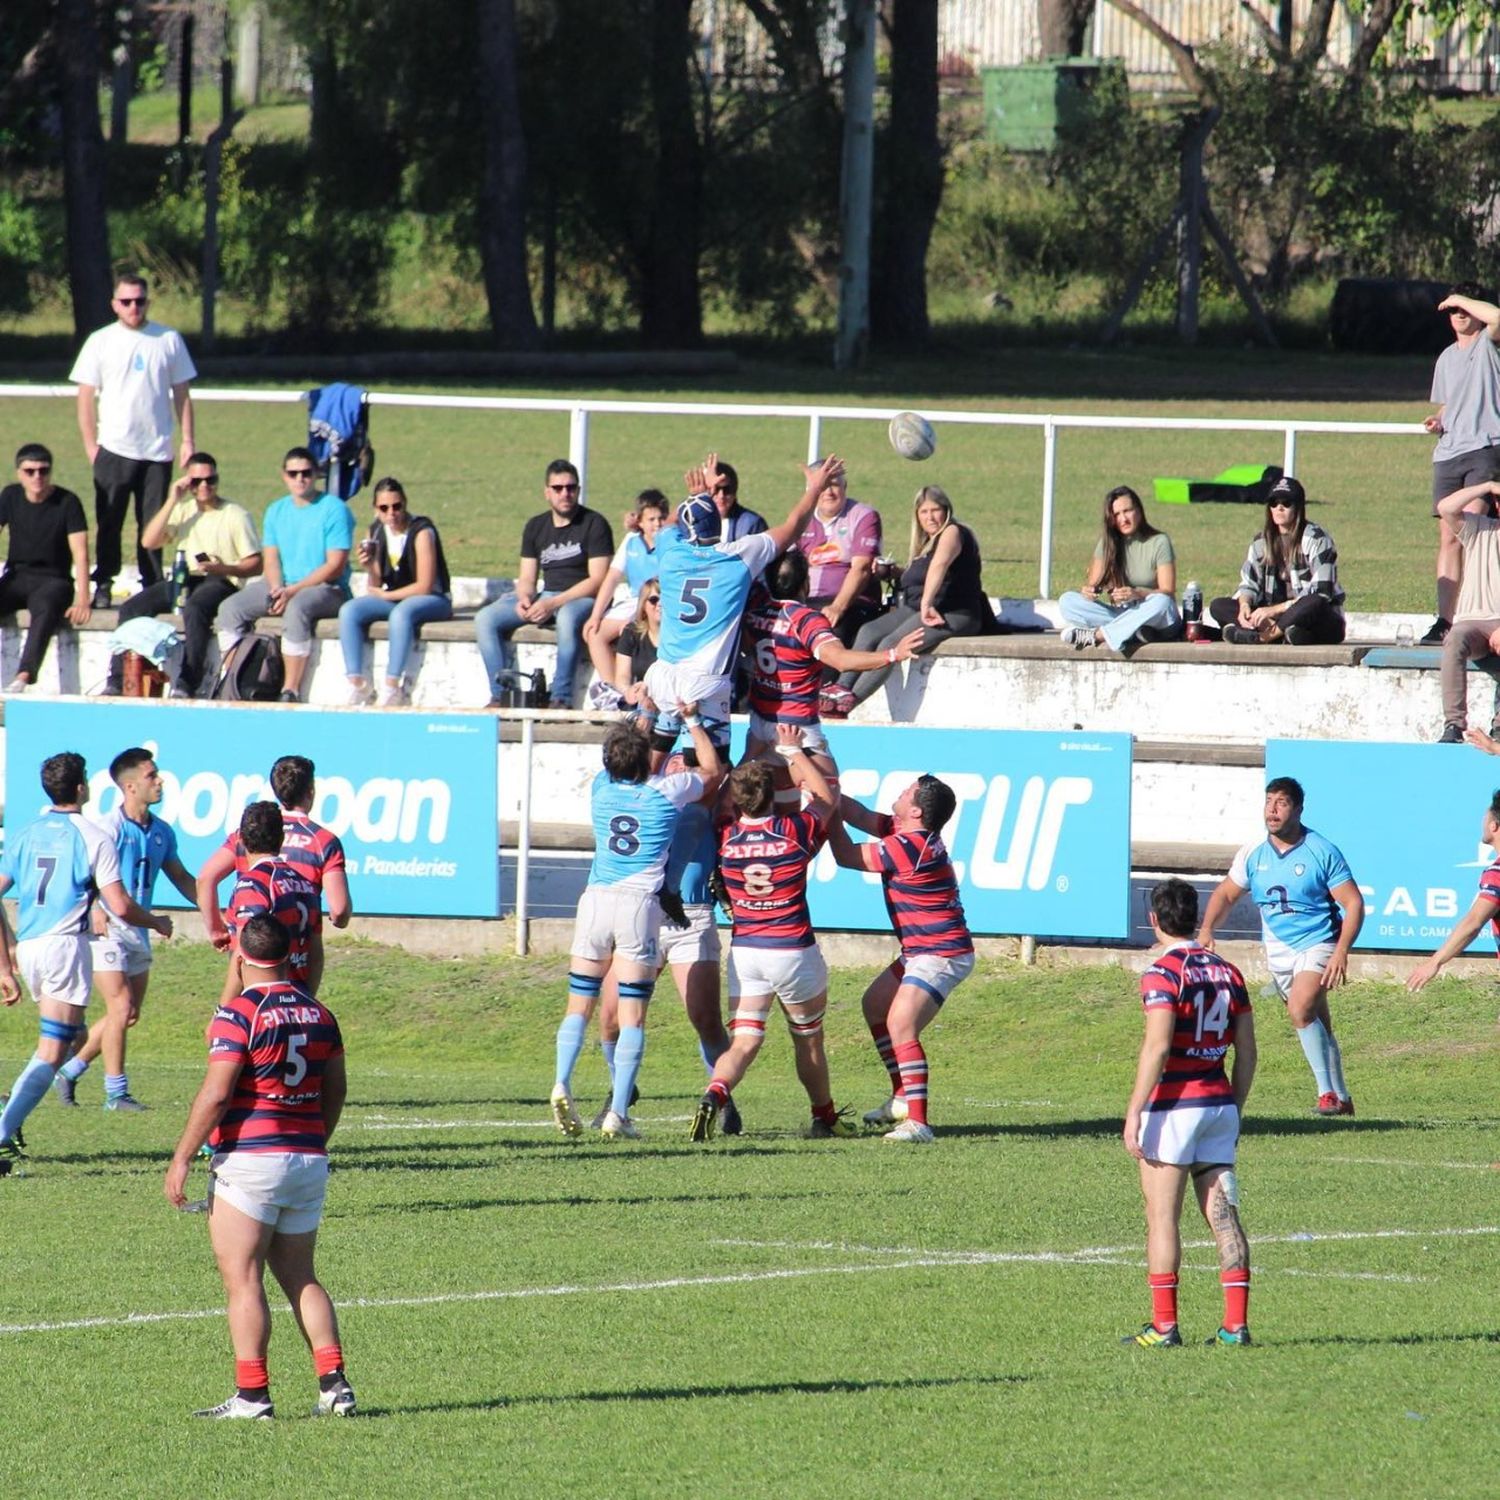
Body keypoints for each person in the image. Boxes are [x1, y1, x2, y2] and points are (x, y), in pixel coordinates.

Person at [164, 914, 355, 1420]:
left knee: (244, 1279)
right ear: (292, 955)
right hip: (308, 1158)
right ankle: (334, 1385)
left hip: (251, 1161)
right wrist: (316, 1140)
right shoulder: (320, 1013)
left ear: (240, 957)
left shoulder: (238, 1013)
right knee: (302, 1276)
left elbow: (217, 1093)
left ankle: (252, 1396)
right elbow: (336, 1090)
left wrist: (182, 1156)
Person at [550, 714, 721, 1140]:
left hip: (594, 901)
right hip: (637, 905)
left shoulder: (600, 788)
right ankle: (619, 1113)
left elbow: (623, 753)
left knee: (578, 1006)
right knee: (632, 1016)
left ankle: (562, 1082)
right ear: (648, 762)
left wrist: (642, 714)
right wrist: (692, 721)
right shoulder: (666, 791)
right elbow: (713, 771)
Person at [0, 751, 171, 1168]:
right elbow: (120, 904)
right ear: (82, 788)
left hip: (33, 945)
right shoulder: (93, 836)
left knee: (69, 1038)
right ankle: (3, 1129)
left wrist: (5, 964)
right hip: (65, 946)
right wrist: (157, 921)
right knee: (52, 1050)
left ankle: (17, 1102)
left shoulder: (25, 833)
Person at [690, 730, 854, 1142]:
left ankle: (715, 1092)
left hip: (747, 952)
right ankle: (824, 1117)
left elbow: (725, 800)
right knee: (808, 1040)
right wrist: (793, 750)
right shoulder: (794, 832)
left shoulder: (725, 834)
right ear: (772, 796)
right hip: (793, 950)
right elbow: (825, 798)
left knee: (744, 1041)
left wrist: (752, 752)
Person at [1122, 879, 1256, 1350]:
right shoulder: (1229, 972)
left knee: (1162, 1218)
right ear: (1195, 918)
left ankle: (1164, 1327)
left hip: (1176, 1108)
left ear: (1154, 920)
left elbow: (1157, 1046)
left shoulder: (1162, 973)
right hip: (1218, 1104)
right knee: (1223, 1215)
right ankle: (1235, 1327)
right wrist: (1232, 1109)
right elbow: (1248, 1053)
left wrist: (1135, 1110)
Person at [645, 453, 844, 758]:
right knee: (710, 772)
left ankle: (640, 798)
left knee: (655, 756)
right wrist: (813, 489)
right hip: (703, 682)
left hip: (664, 674)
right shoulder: (737, 558)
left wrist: (696, 496)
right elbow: (793, 526)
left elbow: (668, 526)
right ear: (719, 526)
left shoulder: (670, 553)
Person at [1197, 776, 1362, 1117]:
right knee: (1317, 1022)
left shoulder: (1321, 851)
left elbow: (1354, 903)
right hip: (1280, 951)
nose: (1272, 809)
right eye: (1269, 801)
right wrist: (1207, 929)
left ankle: (1326, 1093)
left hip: (1318, 942)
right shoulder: (1253, 854)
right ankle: (1343, 1097)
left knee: (1300, 1009)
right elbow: (1227, 893)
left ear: (1299, 810)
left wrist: (1342, 949)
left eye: (1282, 802)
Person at [824, 774, 975, 1143]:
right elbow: (857, 814)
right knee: (875, 1006)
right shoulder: (903, 831)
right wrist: (823, 786)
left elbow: (845, 856)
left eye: (907, 792)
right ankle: (901, 1097)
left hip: (942, 953)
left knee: (900, 1024)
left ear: (916, 810)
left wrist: (822, 812)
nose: (900, 792)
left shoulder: (910, 846)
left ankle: (919, 1124)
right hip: (921, 950)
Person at [592, 763, 739, 1133]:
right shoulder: (645, 801)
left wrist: (691, 717)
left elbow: (717, 769)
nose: (679, 767)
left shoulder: (704, 801)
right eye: (672, 760)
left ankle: (720, 1096)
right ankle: (620, 1090)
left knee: (704, 1018)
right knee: (609, 1017)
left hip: (691, 916)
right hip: (642, 912)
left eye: (687, 764)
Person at [53, 748, 197, 1111]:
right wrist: (97, 907)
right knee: (120, 1007)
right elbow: (85, 876)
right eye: (152, 776)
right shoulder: (107, 829)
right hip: (106, 927)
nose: (160, 780)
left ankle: (70, 1069)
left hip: (138, 928)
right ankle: (116, 1094)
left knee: (128, 1014)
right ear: (130, 787)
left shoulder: (161, 832)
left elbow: (180, 877)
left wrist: (215, 913)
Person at [70, 273, 197, 603]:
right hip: (113, 447)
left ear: (147, 302)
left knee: (153, 522)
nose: (133, 307)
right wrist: (90, 446)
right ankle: (104, 582)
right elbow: (85, 397)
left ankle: (153, 583)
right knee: (110, 520)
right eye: (126, 301)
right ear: (115, 304)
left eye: (139, 301)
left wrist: (187, 442)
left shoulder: (167, 339)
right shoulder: (100, 341)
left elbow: (181, 393)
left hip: (157, 450)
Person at [741, 549, 923, 770]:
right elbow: (839, 659)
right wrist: (893, 654)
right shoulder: (805, 620)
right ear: (805, 583)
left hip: (761, 721)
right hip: (798, 728)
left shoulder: (755, 612)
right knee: (828, 797)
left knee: (774, 797)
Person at [105, 451, 263, 697]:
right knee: (131, 608)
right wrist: (172, 500)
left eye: (210, 480)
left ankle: (187, 681)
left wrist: (223, 568)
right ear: (187, 483)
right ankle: (116, 679)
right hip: (185, 577)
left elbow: (255, 563)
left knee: (196, 608)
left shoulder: (235, 514)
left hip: (221, 580)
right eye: (196, 481)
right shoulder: (184, 510)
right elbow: (149, 541)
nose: (204, 487)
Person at [214, 448, 355, 703]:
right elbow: (271, 558)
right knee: (230, 609)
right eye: (293, 473)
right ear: (284, 476)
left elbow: (334, 565)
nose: (300, 479)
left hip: (326, 588)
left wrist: (292, 591)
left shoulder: (334, 509)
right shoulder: (276, 510)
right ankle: (237, 676)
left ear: (316, 474)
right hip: (284, 585)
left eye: (306, 473)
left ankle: (290, 690)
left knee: (297, 608)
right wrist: (278, 588)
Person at [834, 486, 996, 709]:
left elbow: (939, 566)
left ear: (946, 510)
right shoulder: (926, 544)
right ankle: (839, 690)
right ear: (917, 516)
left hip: (955, 612)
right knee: (869, 631)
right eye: (924, 512)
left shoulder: (953, 532)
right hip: (920, 608)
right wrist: (894, 573)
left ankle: (849, 703)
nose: (930, 517)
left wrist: (927, 603)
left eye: (935, 510)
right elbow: (921, 576)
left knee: (892, 643)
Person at [197, 756, 352, 982]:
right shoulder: (323, 841)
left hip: (249, 950)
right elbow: (338, 911)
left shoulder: (249, 832)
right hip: (296, 956)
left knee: (244, 1012)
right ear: (311, 790)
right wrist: (341, 918)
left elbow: (206, 878)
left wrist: (216, 930)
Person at [475, 459, 613, 710]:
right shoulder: (536, 526)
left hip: (580, 598)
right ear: (546, 492)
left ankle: (561, 697)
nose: (565, 494)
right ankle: (502, 694)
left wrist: (553, 603)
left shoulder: (595, 524)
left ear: (578, 490)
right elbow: (527, 578)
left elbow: (597, 580)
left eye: (571, 487)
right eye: (558, 488)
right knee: (485, 618)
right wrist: (526, 598)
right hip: (547, 595)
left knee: (567, 618)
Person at [1423, 283, 1500, 644]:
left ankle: (1479, 613)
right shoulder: (1446, 357)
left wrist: (1459, 299)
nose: (1458, 315)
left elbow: (1497, 317)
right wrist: (1439, 420)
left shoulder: (1489, 344)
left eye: (1464, 309)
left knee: (1474, 530)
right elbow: (1450, 402)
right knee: (1450, 537)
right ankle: (1444, 620)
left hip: (1485, 449)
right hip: (1449, 453)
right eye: (1453, 311)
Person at [339, 477, 452, 707]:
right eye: (384, 508)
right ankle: (357, 682)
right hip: (395, 598)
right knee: (350, 611)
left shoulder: (421, 531)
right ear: (376, 510)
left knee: (401, 614)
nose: (392, 513)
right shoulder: (376, 531)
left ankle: (392, 685)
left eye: (397, 506)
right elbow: (377, 582)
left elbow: (425, 585)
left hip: (432, 599)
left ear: (405, 503)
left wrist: (386, 596)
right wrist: (370, 567)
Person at [1208, 476, 1345, 645]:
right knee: (1218, 605)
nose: (1279, 508)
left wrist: (1274, 610)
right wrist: (1244, 606)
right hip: (1272, 619)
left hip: (1314, 618)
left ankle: (1261, 638)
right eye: (1274, 503)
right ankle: (1285, 635)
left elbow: (1323, 592)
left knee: (1313, 602)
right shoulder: (1260, 542)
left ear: (1298, 508)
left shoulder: (1317, 539)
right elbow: (1248, 585)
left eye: (1286, 503)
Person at [0, 443, 91, 693]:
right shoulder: (10, 496)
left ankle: (23, 676)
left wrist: (83, 599)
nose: (37, 477)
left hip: (54, 579)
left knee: (46, 609)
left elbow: (81, 553)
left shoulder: (68, 502)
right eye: (30, 471)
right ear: (19, 473)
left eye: (43, 470)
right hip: (17, 575)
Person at [218, 802, 322, 1004]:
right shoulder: (306, 885)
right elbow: (316, 954)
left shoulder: (253, 885)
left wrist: (223, 1010)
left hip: (263, 1002)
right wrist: (305, 999)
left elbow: (245, 951)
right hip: (298, 1000)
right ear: (282, 839)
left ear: (240, 840)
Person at [1058, 485, 1182, 652]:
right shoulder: (1107, 543)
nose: (1123, 519)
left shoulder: (1159, 541)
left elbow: (1168, 591)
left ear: (1139, 510)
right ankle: (1132, 632)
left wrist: (1137, 593)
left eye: (1127, 511)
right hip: (1123, 613)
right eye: (1117, 514)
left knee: (1161, 602)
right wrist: (1089, 591)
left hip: (1157, 617)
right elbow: (1092, 584)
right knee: (1067, 601)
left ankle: (1098, 636)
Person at [1406, 787, 1500, 991]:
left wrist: (1435, 962)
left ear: (1493, 826)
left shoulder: (1497, 873)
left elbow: (1474, 922)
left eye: (1485, 818)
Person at [583, 490, 668, 708]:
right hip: (633, 600)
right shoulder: (631, 541)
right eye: (651, 519)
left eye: (660, 518)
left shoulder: (670, 543)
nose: (657, 524)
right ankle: (613, 689)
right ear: (639, 521)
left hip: (658, 601)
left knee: (632, 629)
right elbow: (612, 577)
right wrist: (596, 615)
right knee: (595, 632)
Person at [1432, 476, 1500, 743]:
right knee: (1455, 638)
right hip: (1473, 621)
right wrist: (1486, 487)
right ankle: (1454, 724)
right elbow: (1446, 507)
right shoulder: (1479, 528)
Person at [797, 461, 884, 647]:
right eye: (823, 485)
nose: (829, 492)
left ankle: (831, 678)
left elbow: (861, 568)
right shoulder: (802, 518)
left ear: (845, 486)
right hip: (808, 602)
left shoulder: (863, 516)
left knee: (831, 635)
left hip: (850, 604)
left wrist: (838, 607)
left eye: (835, 484)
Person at [612, 586, 662, 704]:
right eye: (654, 600)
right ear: (643, 605)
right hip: (641, 698)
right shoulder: (631, 632)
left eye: (665, 599)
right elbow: (622, 676)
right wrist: (629, 690)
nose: (660, 604)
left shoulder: (681, 637)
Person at [708, 460, 767, 540]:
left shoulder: (752, 524)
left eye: (727, 490)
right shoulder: (691, 521)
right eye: (716, 489)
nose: (721, 496)